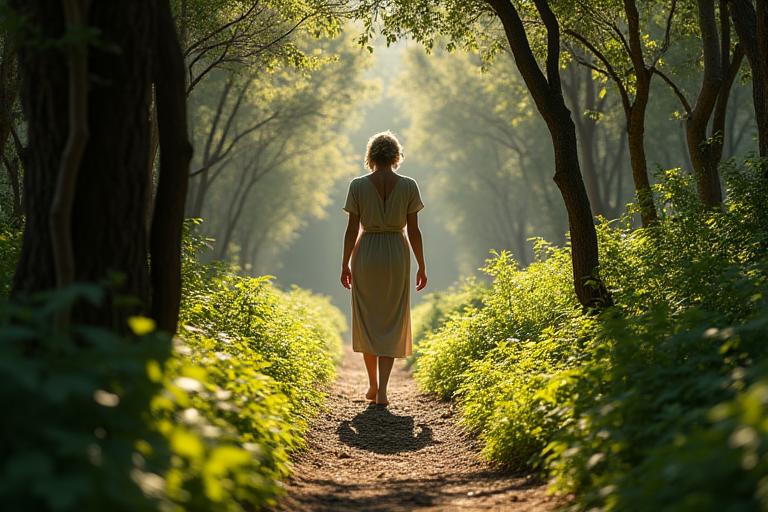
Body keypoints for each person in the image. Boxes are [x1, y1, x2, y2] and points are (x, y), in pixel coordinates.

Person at [340, 131, 427, 406]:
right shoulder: (409, 185)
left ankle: (372, 384)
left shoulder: (357, 185)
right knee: (391, 320)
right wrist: (422, 266)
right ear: (396, 155)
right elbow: (414, 230)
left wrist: (344, 264)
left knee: (368, 319)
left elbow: (352, 228)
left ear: (371, 156)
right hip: (397, 254)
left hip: (366, 253)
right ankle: (384, 392)